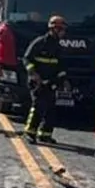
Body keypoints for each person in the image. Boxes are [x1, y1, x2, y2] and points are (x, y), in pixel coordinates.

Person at [23, 15, 68, 144]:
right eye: (60, 29)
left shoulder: (58, 46)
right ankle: (30, 132)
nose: (62, 32)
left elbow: (60, 65)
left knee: (50, 109)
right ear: (53, 29)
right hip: (37, 81)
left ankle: (45, 134)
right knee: (38, 107)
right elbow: (26, 59)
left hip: (51, 82)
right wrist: (33, 73)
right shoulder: (39, 42)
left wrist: (63, 80)